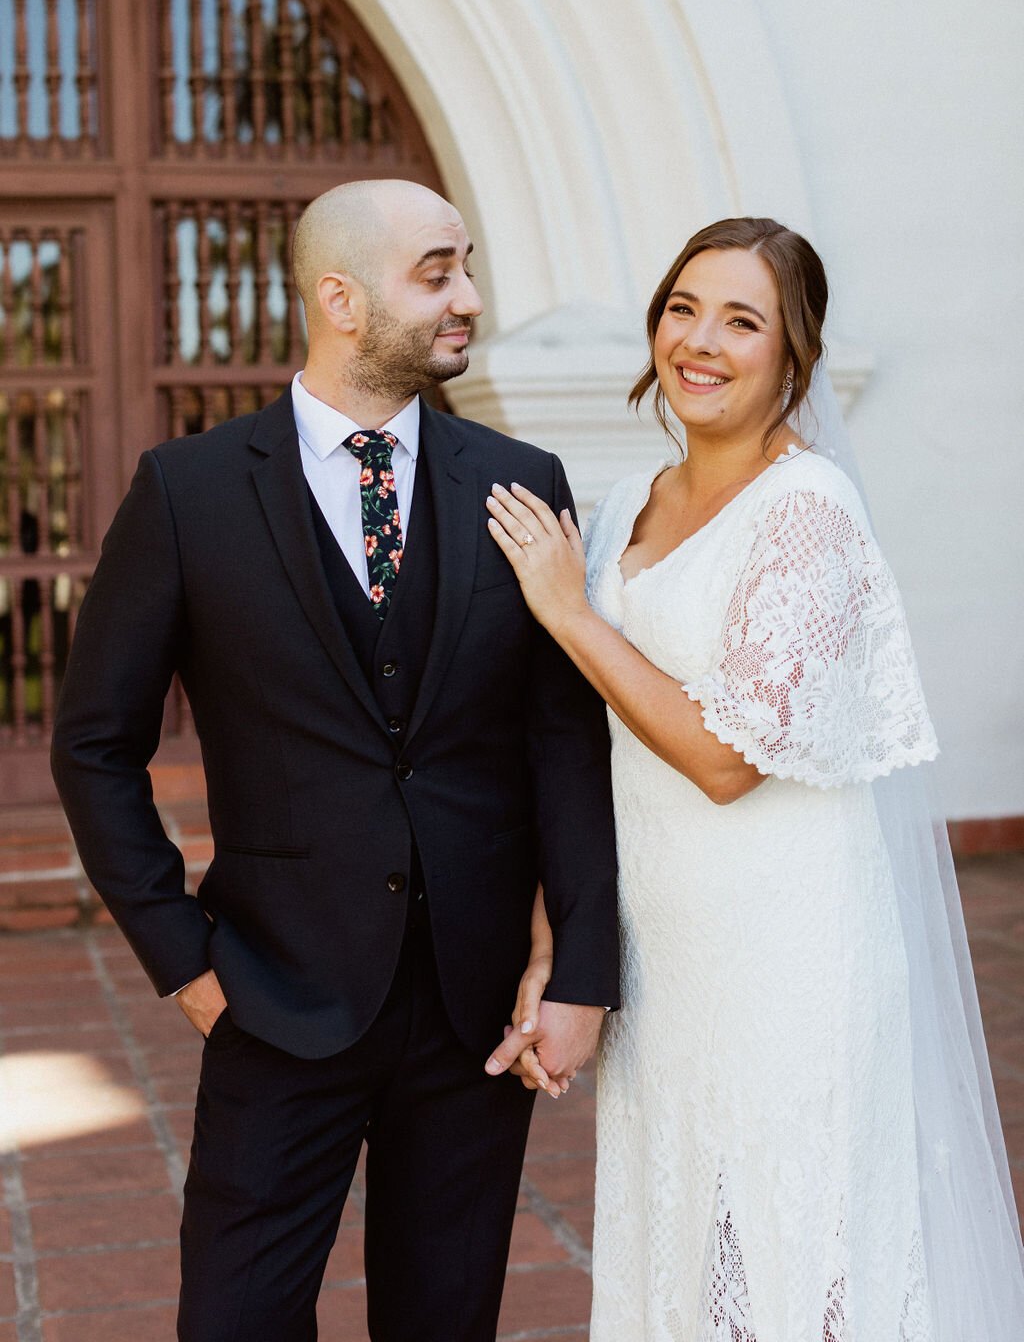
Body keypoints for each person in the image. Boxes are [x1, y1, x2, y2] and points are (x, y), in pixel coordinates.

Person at [50, 179, 619, 1342]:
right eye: (436, 273)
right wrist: (184, 962)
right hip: (270, 992)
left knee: (444, 1319)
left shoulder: (521, 482)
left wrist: (579, 974)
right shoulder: (189, 491)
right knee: (235, 1320)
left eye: (468, 266)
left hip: (473, 1017)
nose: (467, 299)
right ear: (340, 299)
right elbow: (92, 745)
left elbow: (564, 744)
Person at [485, 218, 1024, 1339]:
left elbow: (729, 759)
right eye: (683, 307)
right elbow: (586, 752)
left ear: (795, 356)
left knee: (798, 1259)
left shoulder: (810, 511)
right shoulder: (627, 498)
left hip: (791, 954)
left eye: (743, 320)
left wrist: (568, 613)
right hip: (665, 951)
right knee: (686, 1247)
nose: (701, 341)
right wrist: (555, 949)